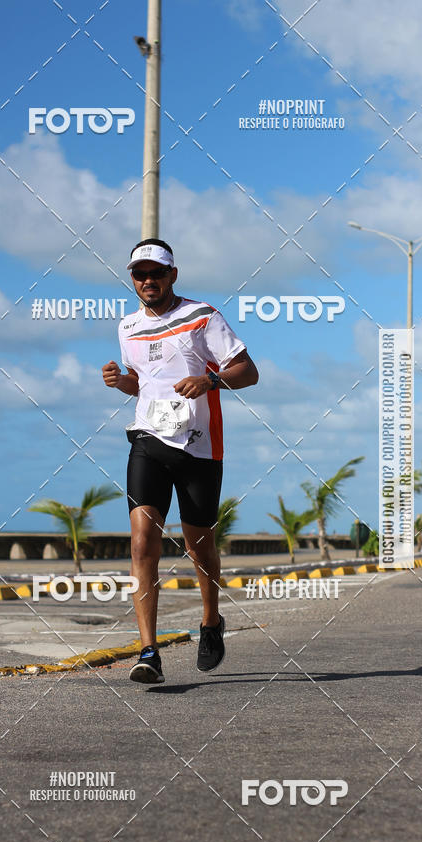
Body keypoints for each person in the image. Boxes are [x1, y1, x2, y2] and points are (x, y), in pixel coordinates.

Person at [102, 238, 258, 683]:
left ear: (173, 274)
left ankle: (211, 620)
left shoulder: (202, 316)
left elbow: (248, 371)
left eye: (157, 273)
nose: (148, 280)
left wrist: (210, 381)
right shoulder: (128, 327)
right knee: (141, 542)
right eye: (140, 274)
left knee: (199, 547)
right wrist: (121, 382)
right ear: (132, 279)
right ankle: (148, 651)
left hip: (199, 446)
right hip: (148, 440)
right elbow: (144, 384)